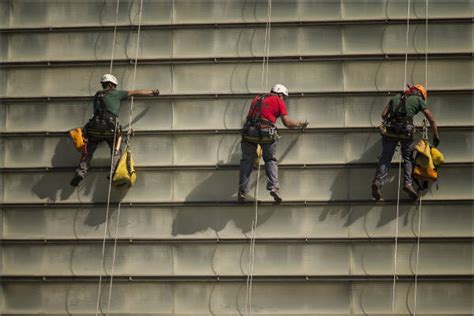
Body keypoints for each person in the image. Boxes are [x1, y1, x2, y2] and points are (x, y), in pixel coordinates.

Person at [70, 74, 159, 187]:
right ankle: (114, 172)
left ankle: (81, 172)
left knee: (88, 151)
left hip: (94, 128)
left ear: (103, 84)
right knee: (116, 150)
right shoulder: (116, 93)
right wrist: (153, 91)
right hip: (110, 128)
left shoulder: (97, 95)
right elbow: (135, 92)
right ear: (112, 85)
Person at [238, 84, 308, 202]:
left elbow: (252, 116)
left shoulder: (257, 98)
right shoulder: (278, 100)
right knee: (270, 159)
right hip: (266, 133)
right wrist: (300, 124)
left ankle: (242, 190)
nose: (283, 100)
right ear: (280, 94)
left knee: (247, 161)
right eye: (284, 97)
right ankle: (274, 188)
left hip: (249, 133)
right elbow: (287, 123)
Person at [372, 84, 440, 201]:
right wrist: (436, 136)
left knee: (386, 157)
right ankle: (407, 184)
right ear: (421, 94)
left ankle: (378, 182)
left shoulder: (396, 97)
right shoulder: (418, 100)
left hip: (390, 130)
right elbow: (431, 120)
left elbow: (384, 115)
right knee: (408, 158)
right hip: (406, 132)